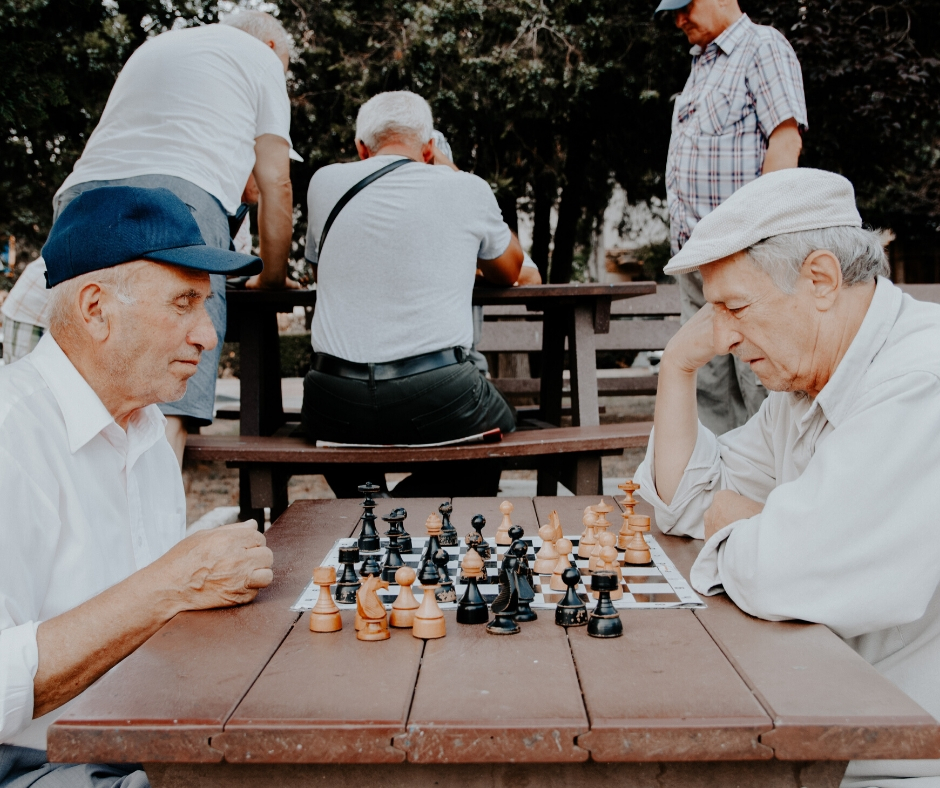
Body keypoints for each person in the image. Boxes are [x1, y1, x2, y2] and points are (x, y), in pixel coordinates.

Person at [634, 168, 940, 788]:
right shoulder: (808, 381)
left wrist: (747, 522)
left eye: (735, 307)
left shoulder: (917, 381)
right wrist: (676, 367)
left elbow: (787, 574)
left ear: (820, 280)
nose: (723, 336)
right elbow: (686, 505)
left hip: (896, 755)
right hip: (822, 719)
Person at [0, 186, 275, 788]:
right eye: (183, 303)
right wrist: (172, 585)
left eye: (206, 304)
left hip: (135, 744)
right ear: (96, 309)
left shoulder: (145, 429)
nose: (208, 336)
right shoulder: (10, 436)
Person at [2, 9, 299, 465]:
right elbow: (276, 181)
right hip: (181, 196)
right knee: (171, 386)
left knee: (78, 385)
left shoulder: (158, 44)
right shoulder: (260, 57)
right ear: (273, 47)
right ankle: (154, 510)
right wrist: (273, 278)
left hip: (83, 196)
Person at [301, 90, 522, 498]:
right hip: (439, 391)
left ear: (361, 148)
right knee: (497, 429)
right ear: (429, 148)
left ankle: (369, 503)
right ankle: (400, 508)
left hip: (332, 398)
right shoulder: (465, 187)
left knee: (338, 429)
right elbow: (510, 270)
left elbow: (321, 269)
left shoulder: (323, 182)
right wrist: (453, 171)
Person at [658, 0, 807, 434]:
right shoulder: (701, 63)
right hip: (694, 257)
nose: (678, 19)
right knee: (707, 389)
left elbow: (785, 142)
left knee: (759, 383)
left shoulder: (762, 46)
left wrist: (757, 239)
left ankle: (774, 477)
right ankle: (718, 477)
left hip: (743, 254)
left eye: (685, 6)